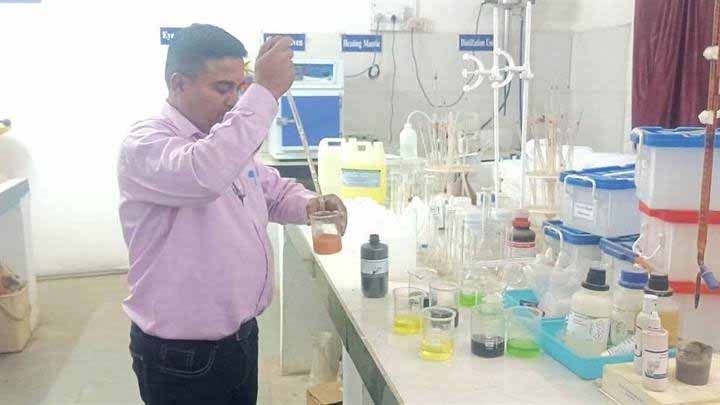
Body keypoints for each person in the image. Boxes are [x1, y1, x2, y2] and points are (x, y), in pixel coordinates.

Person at [117, 24, 347, 404]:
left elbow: (270, 190)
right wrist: (264, 92)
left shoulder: (223, 141)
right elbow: (205, 175)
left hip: (239, 340)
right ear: (178, 84)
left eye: (240, 87)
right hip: (182, 357)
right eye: (222, 88)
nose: (233, 101)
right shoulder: (147, 145)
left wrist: (310, 204)